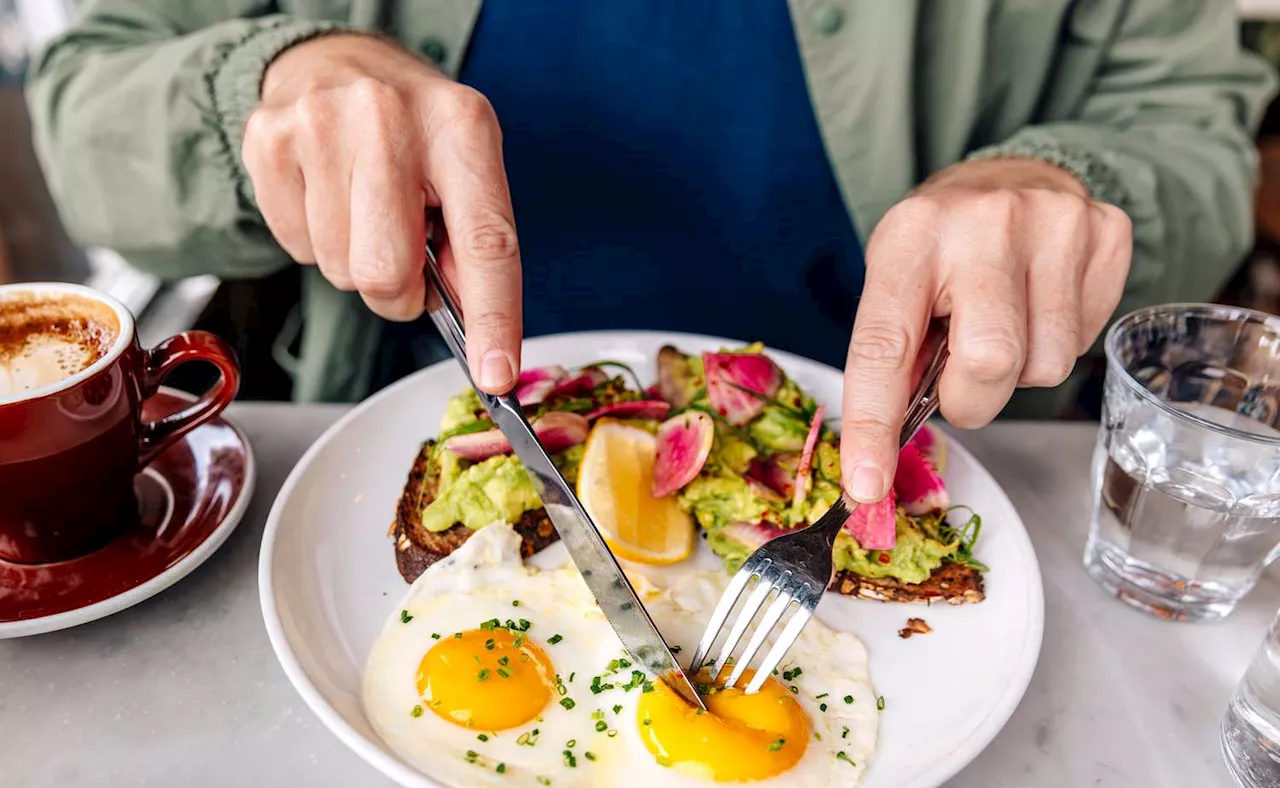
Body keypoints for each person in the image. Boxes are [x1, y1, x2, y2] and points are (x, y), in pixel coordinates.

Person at [24, 1, 1275, 502]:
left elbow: (1191, 122)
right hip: (379, 446)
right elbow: (86, 108)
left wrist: (1065, 183)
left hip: (935, 468)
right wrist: (268, 80)